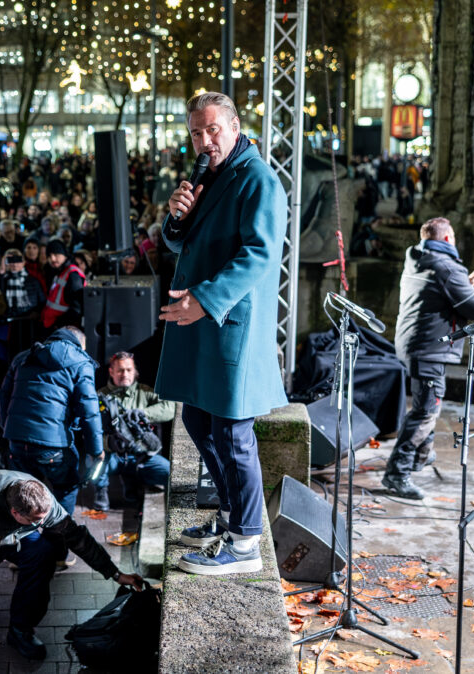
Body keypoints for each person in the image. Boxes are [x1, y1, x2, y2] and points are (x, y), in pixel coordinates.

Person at [158, 91, 288, 575]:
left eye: (213, 129)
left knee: (233, 433)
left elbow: (259, 254)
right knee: (197, 421)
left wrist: (205, 300)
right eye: (196, 132)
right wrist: (176, 217)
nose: (205, 140)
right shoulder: (206, 175)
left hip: (229, 324)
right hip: (204, 323)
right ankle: (232, 514)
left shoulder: (258, 179)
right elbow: (179, 241)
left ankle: (246, 543)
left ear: (234, 127)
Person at [0, 471, 143, 660]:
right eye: (36, 521)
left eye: (43, 518)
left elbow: (77, 537)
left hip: (13, 539)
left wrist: (114, 573)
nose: (43, 523)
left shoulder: (43, 504)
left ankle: (20, 630)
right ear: (16, 512)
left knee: (42, 553)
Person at [386, 217, 474, 499]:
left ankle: (421, 455)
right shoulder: (447, 266)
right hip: (429, 349)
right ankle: (397, 473)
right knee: (427, 410)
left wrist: (467, 282)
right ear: (448, 239)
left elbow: (441, 296)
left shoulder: (419, 258)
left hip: (414, 344)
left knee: (426, 405)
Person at [0, 326, 101, 516]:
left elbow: (4, 395)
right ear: (80, 344)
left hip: (18, 442)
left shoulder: (23, 357)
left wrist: (11, 430)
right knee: (66, 488)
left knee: (23, 497)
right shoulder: (80, 361)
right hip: (54, 444)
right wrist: (96, 450)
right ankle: (57, 539)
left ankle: (27, 541)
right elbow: (89, 409)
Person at [89, 352, 174, 510]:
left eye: (129, 370)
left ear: (135, 371)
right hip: (112, 456)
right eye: (120, 370)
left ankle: (132, 483)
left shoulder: (144, 392)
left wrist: (142, 413)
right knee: (94, 462)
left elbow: (169, 408)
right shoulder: (99, 396)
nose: (125, 374)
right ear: (111, 372)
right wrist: (107, 443)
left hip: (140, 456)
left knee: (170, 473)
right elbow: (88, 430)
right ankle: (101, 491)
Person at [41, 240, 85, 330]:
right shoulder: (59, 271)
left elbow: (76, 308)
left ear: (65, 255)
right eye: (49, 256)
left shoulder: (73, 275)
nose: (52, 259)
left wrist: (59, 324)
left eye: (56, 255)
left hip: (64, 328)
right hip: (55, 326)